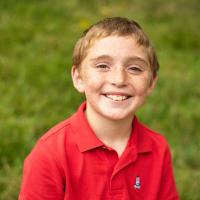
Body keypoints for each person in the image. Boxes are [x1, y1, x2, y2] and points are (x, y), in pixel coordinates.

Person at [18, 17, 179, 200]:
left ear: (151, 83)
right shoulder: (49, 153)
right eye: (103, 66)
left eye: (134, 68)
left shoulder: (158, 149)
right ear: (78, 78)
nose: (119, 79)